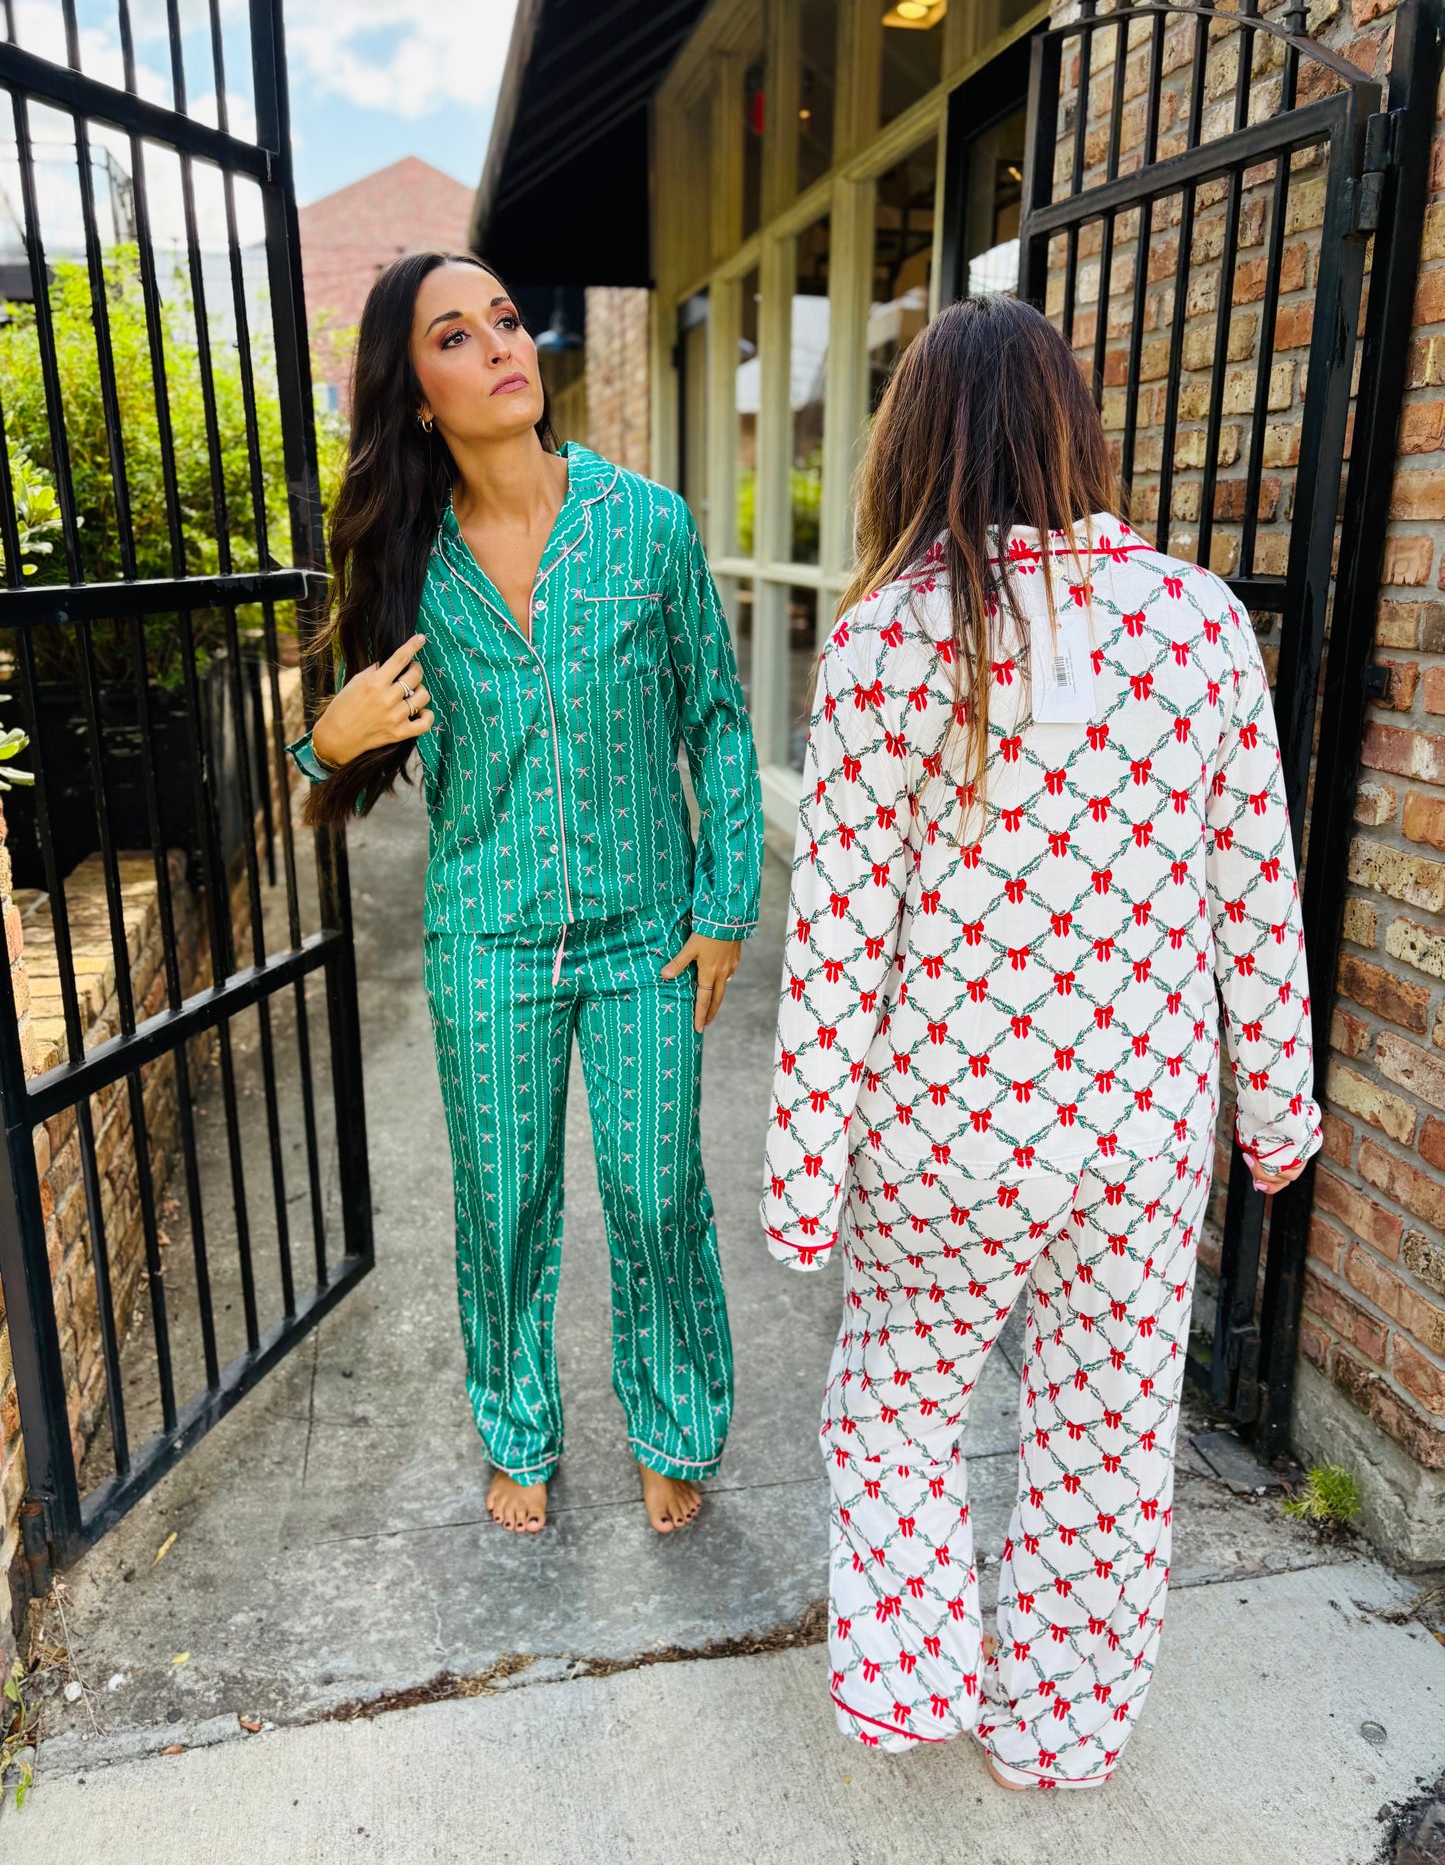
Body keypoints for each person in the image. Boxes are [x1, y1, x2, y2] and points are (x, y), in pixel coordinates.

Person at [760, 295, 1319, 1786]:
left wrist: (802, 1182)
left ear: (913, 443)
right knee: (1106, 1433)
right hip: (1139, 1133)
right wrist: (1277, 1110)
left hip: (946, 1130)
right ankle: (1056, 1728)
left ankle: (915, 1675)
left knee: (893, 1402)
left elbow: (837, 939)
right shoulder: (1197, 624)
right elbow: (1252, 893)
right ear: (1073, 428)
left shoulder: (884, 643)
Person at [290, 251, 763, 1537]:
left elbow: (718, 724)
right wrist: (324, 743)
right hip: (487, 941)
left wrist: (723, 905)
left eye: (503, 319)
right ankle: (517, 1430)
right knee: (503, 1206)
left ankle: (673, 1423)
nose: (502, 344)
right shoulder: (404, 564)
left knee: (656, 1193)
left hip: (644, 936)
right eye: (455, 335)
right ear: (414, 391)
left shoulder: (646, 525)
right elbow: (334, 748)